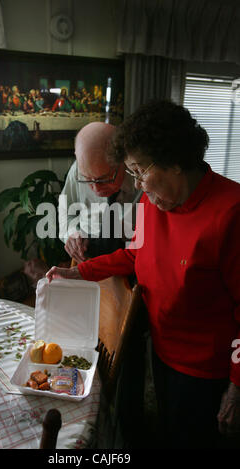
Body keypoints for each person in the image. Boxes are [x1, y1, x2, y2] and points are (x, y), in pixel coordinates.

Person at [46, 100, 240, 449]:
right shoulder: (151, 202)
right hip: (162, 350)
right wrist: (78, 273)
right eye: (132, 173)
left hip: (206, 370)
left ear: (176, 161)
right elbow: (134, 255)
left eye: (140, 171)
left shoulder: (231, 213)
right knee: (168, 428)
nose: (138, 185)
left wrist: (238, 386)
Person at [59, 121, 141, 264]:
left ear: (123, 159)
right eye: (87, 179)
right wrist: (71, 234)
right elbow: (65, 212)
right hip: (86, 253)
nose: (96, 189)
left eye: (103, 179)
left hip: (132, 255)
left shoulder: (142, 177)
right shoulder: (78, 170)